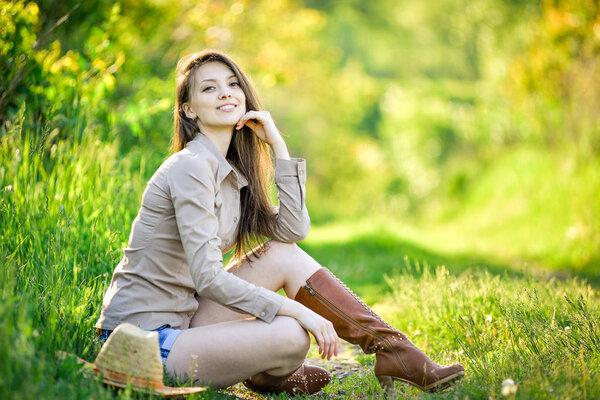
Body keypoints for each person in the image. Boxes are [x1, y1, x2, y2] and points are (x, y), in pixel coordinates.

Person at [95, 49, 464, 395]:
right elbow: (209, 277)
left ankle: (392, 349)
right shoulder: (191, 168)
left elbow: (293, 232)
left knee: (283, 254)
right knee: (292, 334)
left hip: (183, 320)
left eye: (233, 83)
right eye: (209, 88)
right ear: (189, 110)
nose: (226, 93)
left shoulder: (227, 172)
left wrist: (278, 148)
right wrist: (298, 310)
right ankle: (267, 367)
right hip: (139, 342)